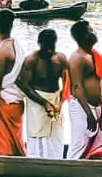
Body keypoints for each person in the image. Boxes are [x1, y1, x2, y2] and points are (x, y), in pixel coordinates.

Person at [17, 28, 69, 159]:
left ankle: (56, 162)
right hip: (36, 102)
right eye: (46, 47)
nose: (50, 51)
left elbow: (68, 83)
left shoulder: (61, 59)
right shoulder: (31, 60)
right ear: (39, 43)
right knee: (38, 136)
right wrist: (44, 103)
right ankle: (37, 163)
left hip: (56, 101)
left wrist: (61, 103)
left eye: (52, 47)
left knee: (56, 135)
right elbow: (23, 84)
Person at [67, 20, 102, 160]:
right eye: (90, 31)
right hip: (81, 106)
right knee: (80, 142)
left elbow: (99, 82)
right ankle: (70, 170)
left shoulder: (92, 55)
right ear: (84, 36)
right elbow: (76, 87)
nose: (94, 33)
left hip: (97, 106)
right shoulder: (77, 58)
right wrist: (89, 115)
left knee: (99, 141)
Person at [0, 9, 26, 155]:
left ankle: (3, 171)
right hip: (16, 104)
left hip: (4, 103)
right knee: (16, 143)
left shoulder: (1, 52)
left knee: (2, 146)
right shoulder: (17, 46)